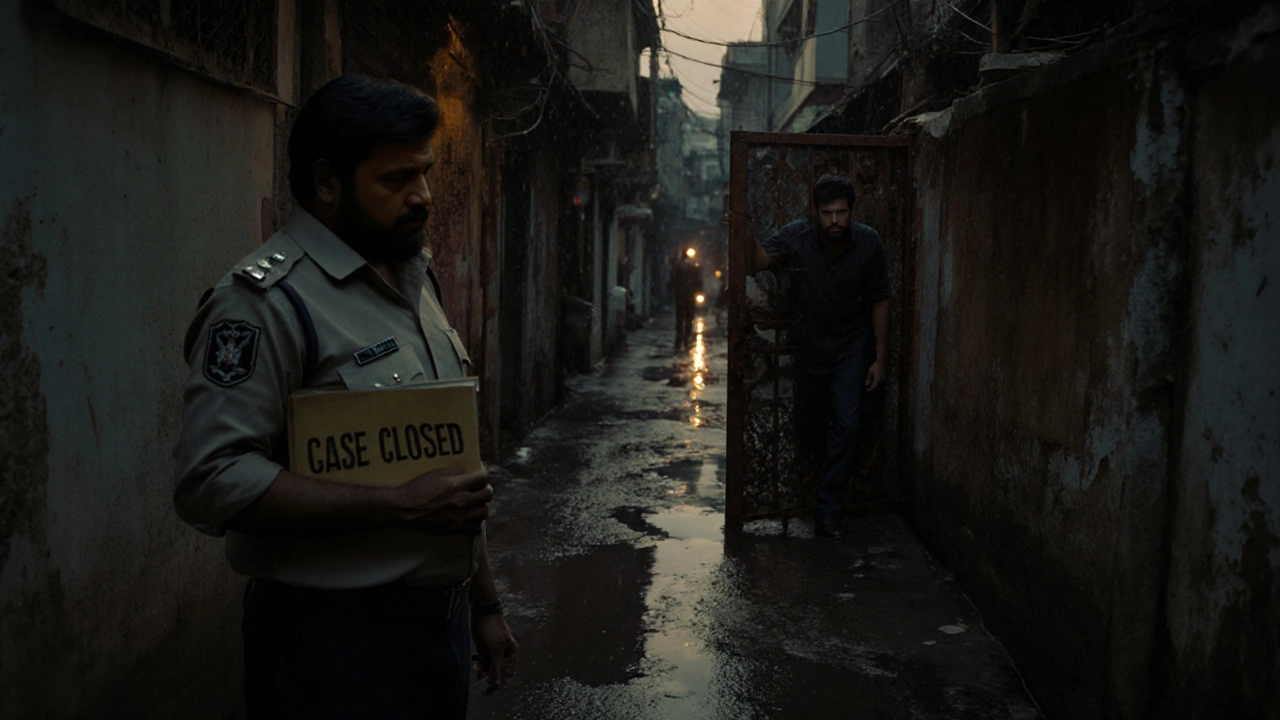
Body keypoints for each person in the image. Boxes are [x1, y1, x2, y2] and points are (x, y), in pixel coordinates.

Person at [172, 75, 516, 719]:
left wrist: (483, 605)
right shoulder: (264, 304)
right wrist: (395, 507)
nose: (423, 195)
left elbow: (452, 475)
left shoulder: (416, 278)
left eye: (425, 172)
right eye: (396, 179)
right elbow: (209, 480)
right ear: (327, 184)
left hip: (436, 638)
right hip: (332, 649)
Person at [752, 174, 891, 540]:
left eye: (841, 213)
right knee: (808, 424)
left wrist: (880, 357)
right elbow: (758, 260)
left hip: (850, 348)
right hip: (810, 347)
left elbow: (880, 299)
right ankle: (809, 488)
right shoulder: (796, 237)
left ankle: (827, 516)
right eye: (827, 213)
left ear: (851, 211)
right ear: (815, 211)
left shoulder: (867, 242)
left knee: (847, 424)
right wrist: (740, 228)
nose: (834, 221)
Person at [670, 248, 703, 351]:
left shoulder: (682, 267)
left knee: (684, 319)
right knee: (686, 318)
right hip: (686, 296)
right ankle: (682, 339)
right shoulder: (685, 267)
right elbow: (699, 281)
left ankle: (682, 340)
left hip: (685, 296)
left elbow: (673, 280)